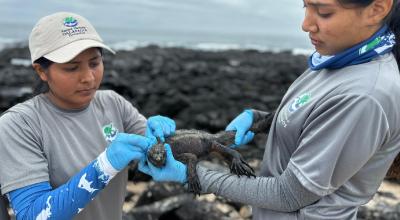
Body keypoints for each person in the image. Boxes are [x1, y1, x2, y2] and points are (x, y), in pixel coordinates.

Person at [139, 0, 400, 219]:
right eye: (305, 6)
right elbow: (315, 118)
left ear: (377, 9)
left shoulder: (365, 95)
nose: (306, 24)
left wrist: (192, 175)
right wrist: (259, 120)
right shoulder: (337, 60)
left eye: (324, 12)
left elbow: (289, 195)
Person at [0, 12, 176, 220]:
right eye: (72, 68)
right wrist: (105, 166)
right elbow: (32, 215)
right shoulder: (18, 125)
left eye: (94, 63)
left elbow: (166, 155)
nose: (88, 77)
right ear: (41, 71)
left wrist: (207, 142)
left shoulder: (113, 104)